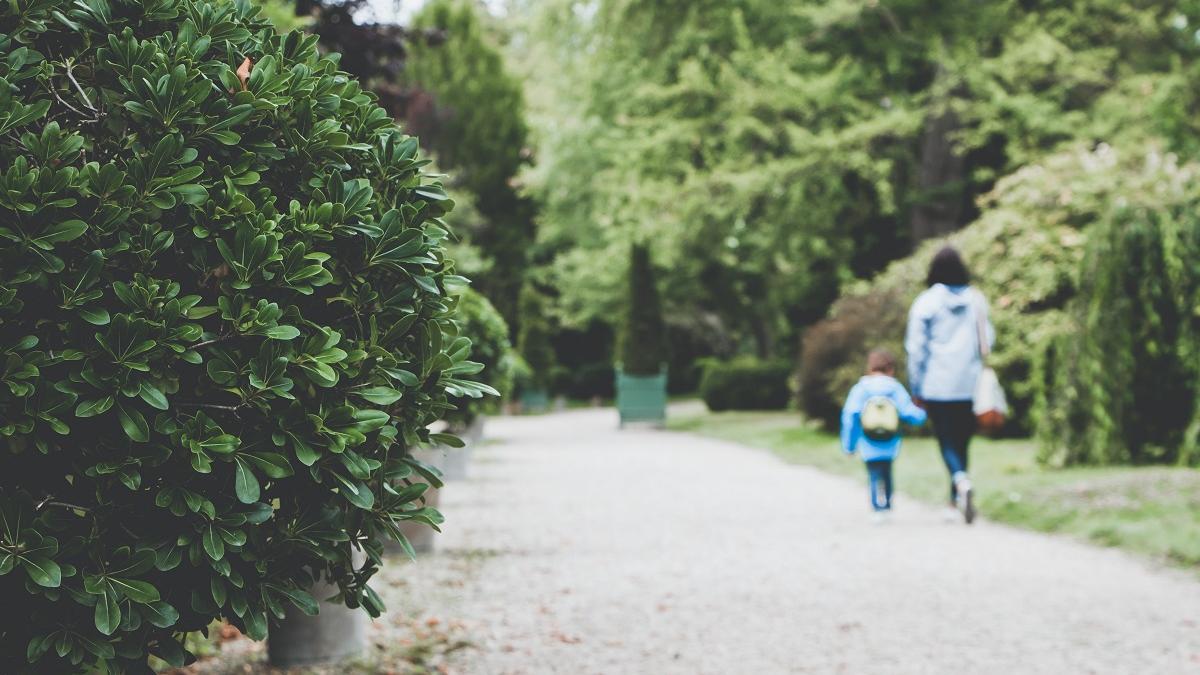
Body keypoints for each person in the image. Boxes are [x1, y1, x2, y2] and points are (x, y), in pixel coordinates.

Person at [905, 246, 994, 524]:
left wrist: (915, 387)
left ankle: (959, 483)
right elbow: (987, 341)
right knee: (963, 440)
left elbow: (916, 348)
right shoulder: (976, 300)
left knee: (946, 439)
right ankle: (956, 496)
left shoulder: (926, 302)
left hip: (936, 383)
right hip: (969, 382)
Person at [840, 349, 927, 523]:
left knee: (873, 474)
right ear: (890, 369)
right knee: (887, 473)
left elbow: (850, 416)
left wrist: (849, 446)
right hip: (890, 443)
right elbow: (910, 413)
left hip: (868, 442)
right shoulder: (895, 388)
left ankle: (876, 508)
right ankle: (887, 505)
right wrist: (924, 413)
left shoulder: (861, 389)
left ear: (870, 367)